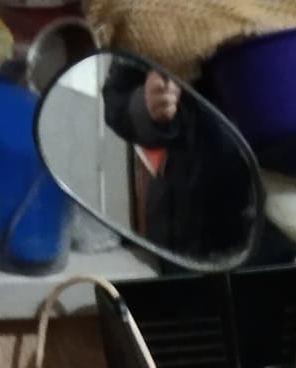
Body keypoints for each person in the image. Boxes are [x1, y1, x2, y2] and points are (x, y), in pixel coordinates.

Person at [100, 59, 253, 260]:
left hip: (284, 218)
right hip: (191, 223)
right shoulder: (152, 37)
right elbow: (118, 97)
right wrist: (147, 106)